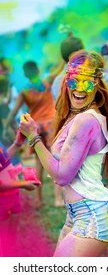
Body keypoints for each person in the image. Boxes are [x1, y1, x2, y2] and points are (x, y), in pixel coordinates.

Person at [19, 50, 108, 257]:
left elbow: (61, 175)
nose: (78, 89)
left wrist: (33, 137)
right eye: (73, 82)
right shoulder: (82, 115)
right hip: (79, 214)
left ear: (97, 84)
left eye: (86, 83)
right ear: (66, 82)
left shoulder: (85, 120)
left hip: (92, 215)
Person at [4, 61, 64, 207]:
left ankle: (38, 200)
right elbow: (60, 66)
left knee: (39, 163)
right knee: (55, 159)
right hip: (50, 125)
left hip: (35, 128)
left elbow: (13, 112)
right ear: (37, 69)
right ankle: (58, 199)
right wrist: (64, 58)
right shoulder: (48, 81)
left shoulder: (24, 91)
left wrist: (6, 126)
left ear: (25, 74)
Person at [0, 130, 40, 256]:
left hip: (13, 195)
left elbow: (4, 160)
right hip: (3, 201)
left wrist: (17, 143)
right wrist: (23, 184)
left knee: (12, 238)